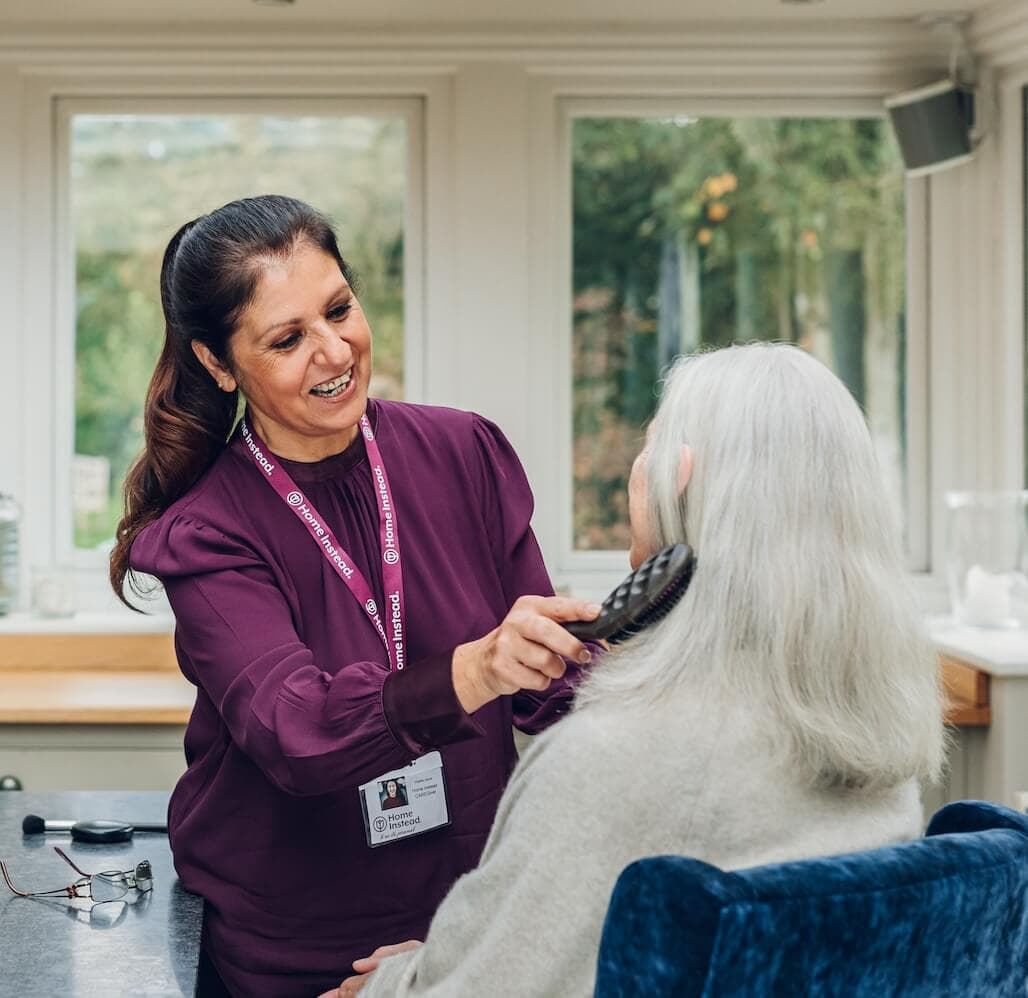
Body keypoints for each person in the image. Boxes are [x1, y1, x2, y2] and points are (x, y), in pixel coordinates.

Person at [327, 342, 946, 998]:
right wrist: (467, 947)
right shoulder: (879, 742)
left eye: (648, 444)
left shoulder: (607, 761)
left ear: (676, 478)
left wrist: (395, 981)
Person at [109, 195, 600, 997]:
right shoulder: (208, 530)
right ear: (218, 363)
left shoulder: (462, 452)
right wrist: (477, 671)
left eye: (340, 309)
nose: (335, 350)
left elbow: (554, 690)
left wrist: (621, 657)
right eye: (287, 338)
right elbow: (296, 731)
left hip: (465, 924)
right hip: (299, 946)